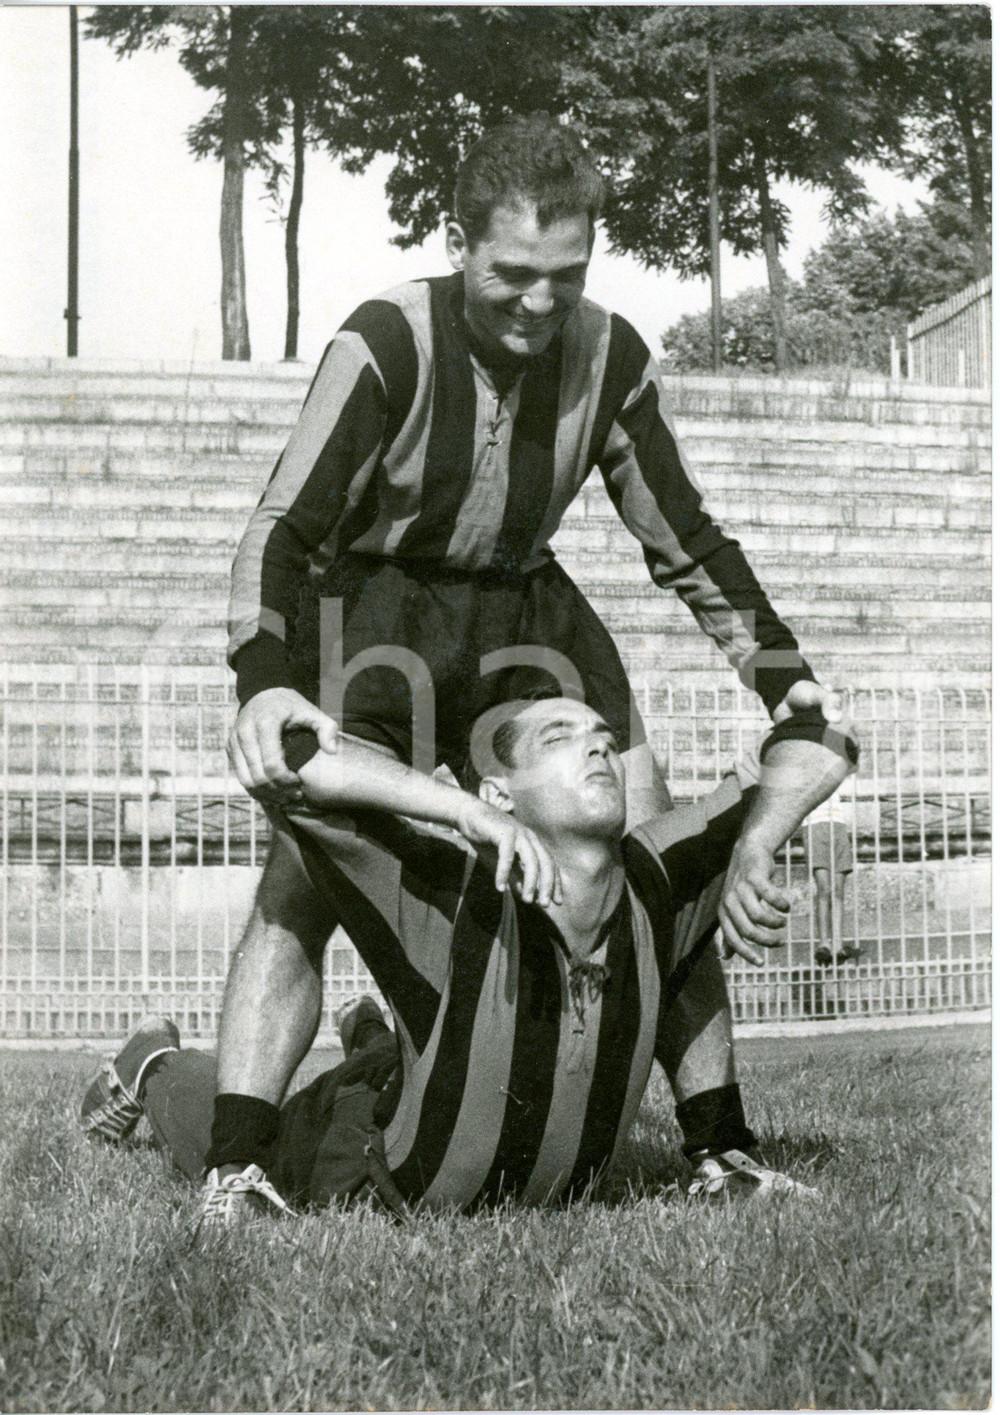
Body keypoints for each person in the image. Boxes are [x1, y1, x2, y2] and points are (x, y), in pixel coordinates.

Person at [214, 114, 841, 1196]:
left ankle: (718, 1145)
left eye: (567, 274)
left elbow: (684, 540)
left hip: (525, 620)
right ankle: (234, 1164)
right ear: (460, 243)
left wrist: (785, 677)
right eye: (512, 273)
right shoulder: (387, 340)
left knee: (650, 859)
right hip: (376, 617)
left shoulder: (611, 354)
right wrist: (262, 680)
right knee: (298, 884)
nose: (540, 303)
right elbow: (283, 527)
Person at [81, 696, 857, 1219]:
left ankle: (376, 1039)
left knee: (413, 1049)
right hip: (363, 1153)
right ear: (502, 792)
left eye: (604, 739)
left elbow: (822, 739)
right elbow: (288, 761)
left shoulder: (656, 882)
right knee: (220, 1114)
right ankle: (150, 1059)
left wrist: (758, 837)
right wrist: (460, 812)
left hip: (426, 1060)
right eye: (559, 739)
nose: (596, 746)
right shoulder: (459, 899)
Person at [804, 787, 859, 966]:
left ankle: (838, 944)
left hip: (838, 823)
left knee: (838, 890)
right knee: (824, 888)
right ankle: (823, 943)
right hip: (814, 824)